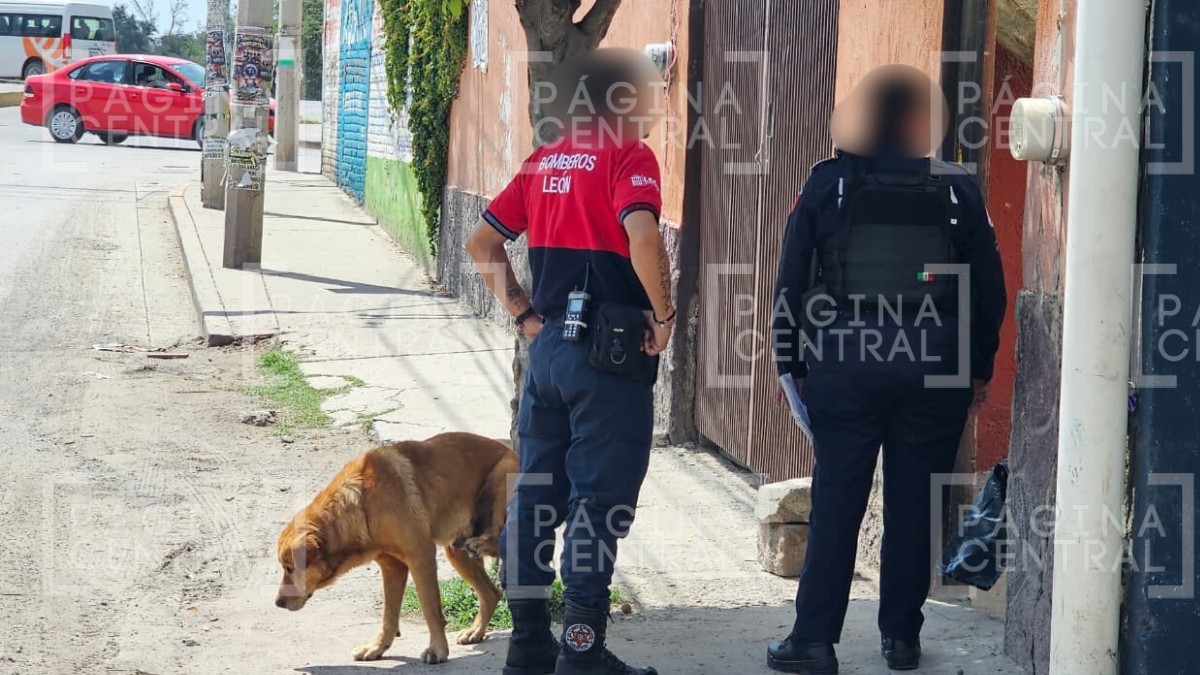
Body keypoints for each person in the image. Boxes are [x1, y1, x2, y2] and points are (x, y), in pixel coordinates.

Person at [767, 64, 1007, 674]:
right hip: (935, 363)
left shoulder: (827, 185)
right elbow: (989, 289)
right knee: (915, 503)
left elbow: (791, 282)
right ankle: (901, 639)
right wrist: (977, 367)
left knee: (837, 501)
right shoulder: (957, 189)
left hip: (847, 363)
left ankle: (814, 643)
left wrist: (792, 361)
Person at [466, 49, 673, 675]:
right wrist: (663, 317)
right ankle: (582, 651)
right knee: (598, 502)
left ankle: (528, 646)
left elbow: (482, 242)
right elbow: (642, 236)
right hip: (608, 358)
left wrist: (527, 318)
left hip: (549, 351)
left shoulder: (545, 160)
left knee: (535, 496)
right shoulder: (627, 156)